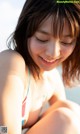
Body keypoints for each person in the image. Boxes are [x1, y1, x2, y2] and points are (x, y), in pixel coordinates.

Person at [0, 0, 80, 134]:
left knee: (71, 109)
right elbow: (4, 130)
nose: (53, 53)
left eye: (66, 42)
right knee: (65, 119)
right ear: (26, 32)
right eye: (42, 39)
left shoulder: (52, 79)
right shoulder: (11, 62)